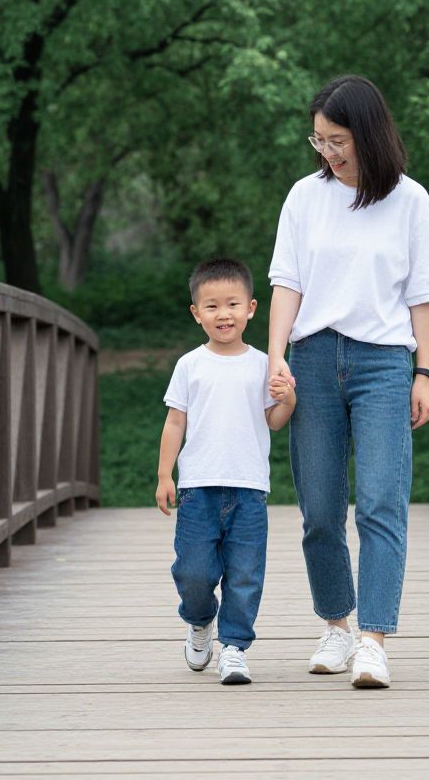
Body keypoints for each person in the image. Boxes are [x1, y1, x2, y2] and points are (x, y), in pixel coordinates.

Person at [267, 74, 429, 689]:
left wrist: (424, 372)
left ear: (368, 133)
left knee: (379, 501)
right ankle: (336, 626)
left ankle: (373, 639)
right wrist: (276, 357)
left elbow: (424, 295)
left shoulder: (411, 201)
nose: (328, 152)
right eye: (318, 141)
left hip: (384, 364)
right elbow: (287, 283)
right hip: (312, 360)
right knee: (319, 509)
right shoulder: (304, 197)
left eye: (337, 140)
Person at [156, 258, 296, 684]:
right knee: (193, 571)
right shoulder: (190, 365)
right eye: (212, 306)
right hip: (198, 488)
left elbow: (274, 420)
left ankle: (234, 647)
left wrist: (288, 399)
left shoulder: (263, 365)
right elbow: (175, 422)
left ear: (251, 308)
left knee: (245, 574)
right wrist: (164, 475)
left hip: (249, 489)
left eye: (233, 304)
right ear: (196, 313)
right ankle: (200, 621)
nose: (224, 314)